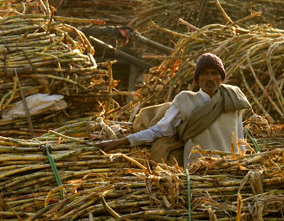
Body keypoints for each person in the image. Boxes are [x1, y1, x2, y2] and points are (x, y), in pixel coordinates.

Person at [97, 53, 251, 168]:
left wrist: (244, 163)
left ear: (222, 78)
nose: (210, 78)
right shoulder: (185, 100)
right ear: (197, 79)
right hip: (198, 170)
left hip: (229, 168)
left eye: (214, 73)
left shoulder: (232, 97)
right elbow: (160, 130)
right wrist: (123, 140)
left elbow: (239, 137)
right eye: (204, 73)